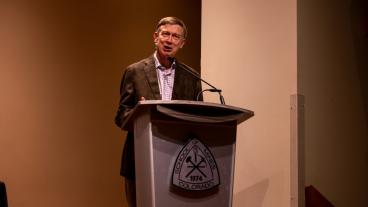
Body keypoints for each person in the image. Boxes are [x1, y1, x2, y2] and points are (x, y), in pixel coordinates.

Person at [114, 17, 202, 207]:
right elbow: (121, 116)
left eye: (175, 36)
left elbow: (198, 120)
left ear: (182, 43)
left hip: (178, 162)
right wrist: (138, 113)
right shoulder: (135, 71)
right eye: (165, 34)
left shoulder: (191, 77)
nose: (169, 40)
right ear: (156, 37)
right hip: (139, 160)